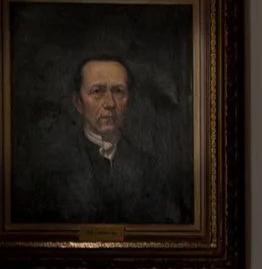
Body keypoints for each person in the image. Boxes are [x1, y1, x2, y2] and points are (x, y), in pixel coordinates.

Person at [12, 56, 192, 224]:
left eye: (118, 91)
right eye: (97, 91)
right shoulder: (50, 167)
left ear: (128, 101)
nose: (109, 103)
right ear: (78, 102)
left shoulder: (150, 169)